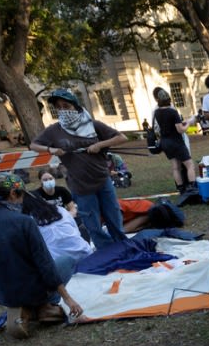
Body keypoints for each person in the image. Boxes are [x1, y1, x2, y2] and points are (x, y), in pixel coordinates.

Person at [0, 173, 83, 339]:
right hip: (31, 289)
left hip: (4, 292)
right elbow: (44, 262)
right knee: (66, 260)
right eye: (22, 196)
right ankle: (43, 306)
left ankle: (25, 308)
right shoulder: (23, 221)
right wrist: (67, 299)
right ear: (13, 194)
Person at [30, 88, 128, 249]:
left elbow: (121, 137)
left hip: (102, 179)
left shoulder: (92, 124)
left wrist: (99, 144)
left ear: (75, 105)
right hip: (80, 186)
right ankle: (107, 252)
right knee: (93, 224)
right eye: (58, 107)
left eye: (66, 106)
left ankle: (123, 247)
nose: (63, 110)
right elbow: (33, 145)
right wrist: (51, 150)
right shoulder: (54, 130)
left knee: (114, 217)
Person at [22, 189, 93, 271]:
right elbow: (76, 230)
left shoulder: (29, 221)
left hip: (63, 264)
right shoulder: (60, 209)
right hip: (85, 252)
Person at [152, 87, 199, 200]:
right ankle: (192, 188)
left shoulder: (157, 112)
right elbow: (180, 130)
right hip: (176, 141)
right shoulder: (173, 111)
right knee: (189, 165)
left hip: (165, 142)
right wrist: (188, 123)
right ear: (169, 99)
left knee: (175, 167)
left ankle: (181, 189)